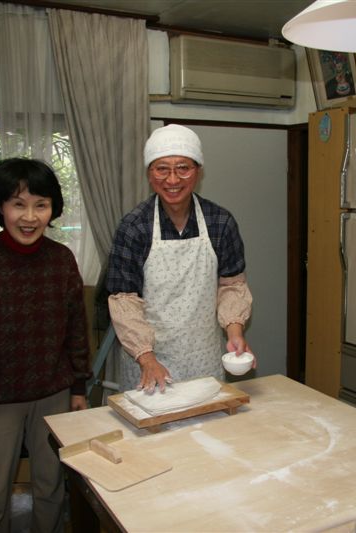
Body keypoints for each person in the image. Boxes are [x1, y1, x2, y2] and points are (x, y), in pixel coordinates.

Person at [0, 158, 91, 533]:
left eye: (41, 205)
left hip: (53, 394)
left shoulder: (61, 260)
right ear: (0, 207)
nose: (30, 217)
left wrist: (78, 387)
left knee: (51, 488)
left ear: (53, 209)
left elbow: (76, 329)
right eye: (18, 204)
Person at [106, 124, 254, 394]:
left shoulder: (220, 222)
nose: (172, 180)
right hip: (147, 363)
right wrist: (147, 358)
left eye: (183, 168)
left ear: (198, 171)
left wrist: (235, 333)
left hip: (203, 358)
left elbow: (232, 285)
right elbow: (123, 301)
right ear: (149, 173)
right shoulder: (134, 227)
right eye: (162, 169)